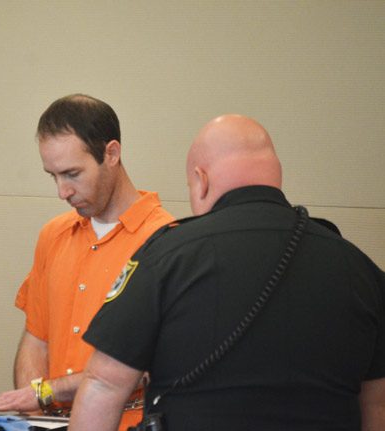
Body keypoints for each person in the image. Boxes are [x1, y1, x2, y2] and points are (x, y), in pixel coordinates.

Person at [69, 114, 385, 430]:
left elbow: (103, 384)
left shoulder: (167, 255)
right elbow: (376, 404)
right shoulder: (359, 268)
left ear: (201, 179)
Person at [0, 94, 174, 430]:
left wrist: (45, 393)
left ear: (111, 153)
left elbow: (152, 366)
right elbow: (36, 339)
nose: (62, 191)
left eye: (72, 174)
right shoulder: (53, 235)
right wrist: (35, 416)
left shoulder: (165, 242)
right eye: (53, 176)